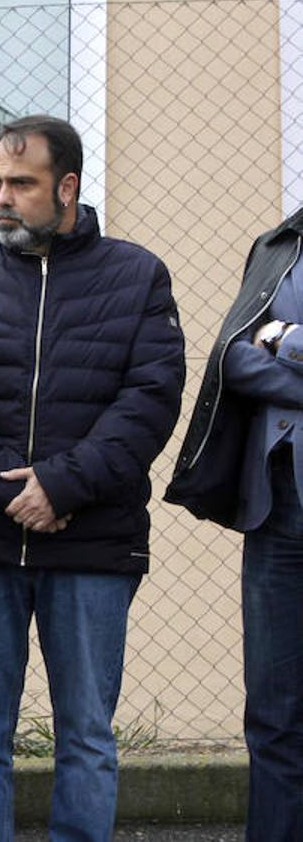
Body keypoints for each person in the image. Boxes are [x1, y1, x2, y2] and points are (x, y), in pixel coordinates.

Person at [0, 117, 185, 841]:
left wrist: (62, 487)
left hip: (91, 544)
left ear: (67, 186)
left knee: (87, 738)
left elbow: (151, 398)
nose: (2, 198)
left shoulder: (136, 275)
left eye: (21, 185)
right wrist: (13, 489)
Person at [165, 207, 303, 841]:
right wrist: (263, 350)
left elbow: (259, 351)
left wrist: (283, 341)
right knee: (274, 713)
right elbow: (230, 359)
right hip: (278, 508)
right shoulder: (279, 245)